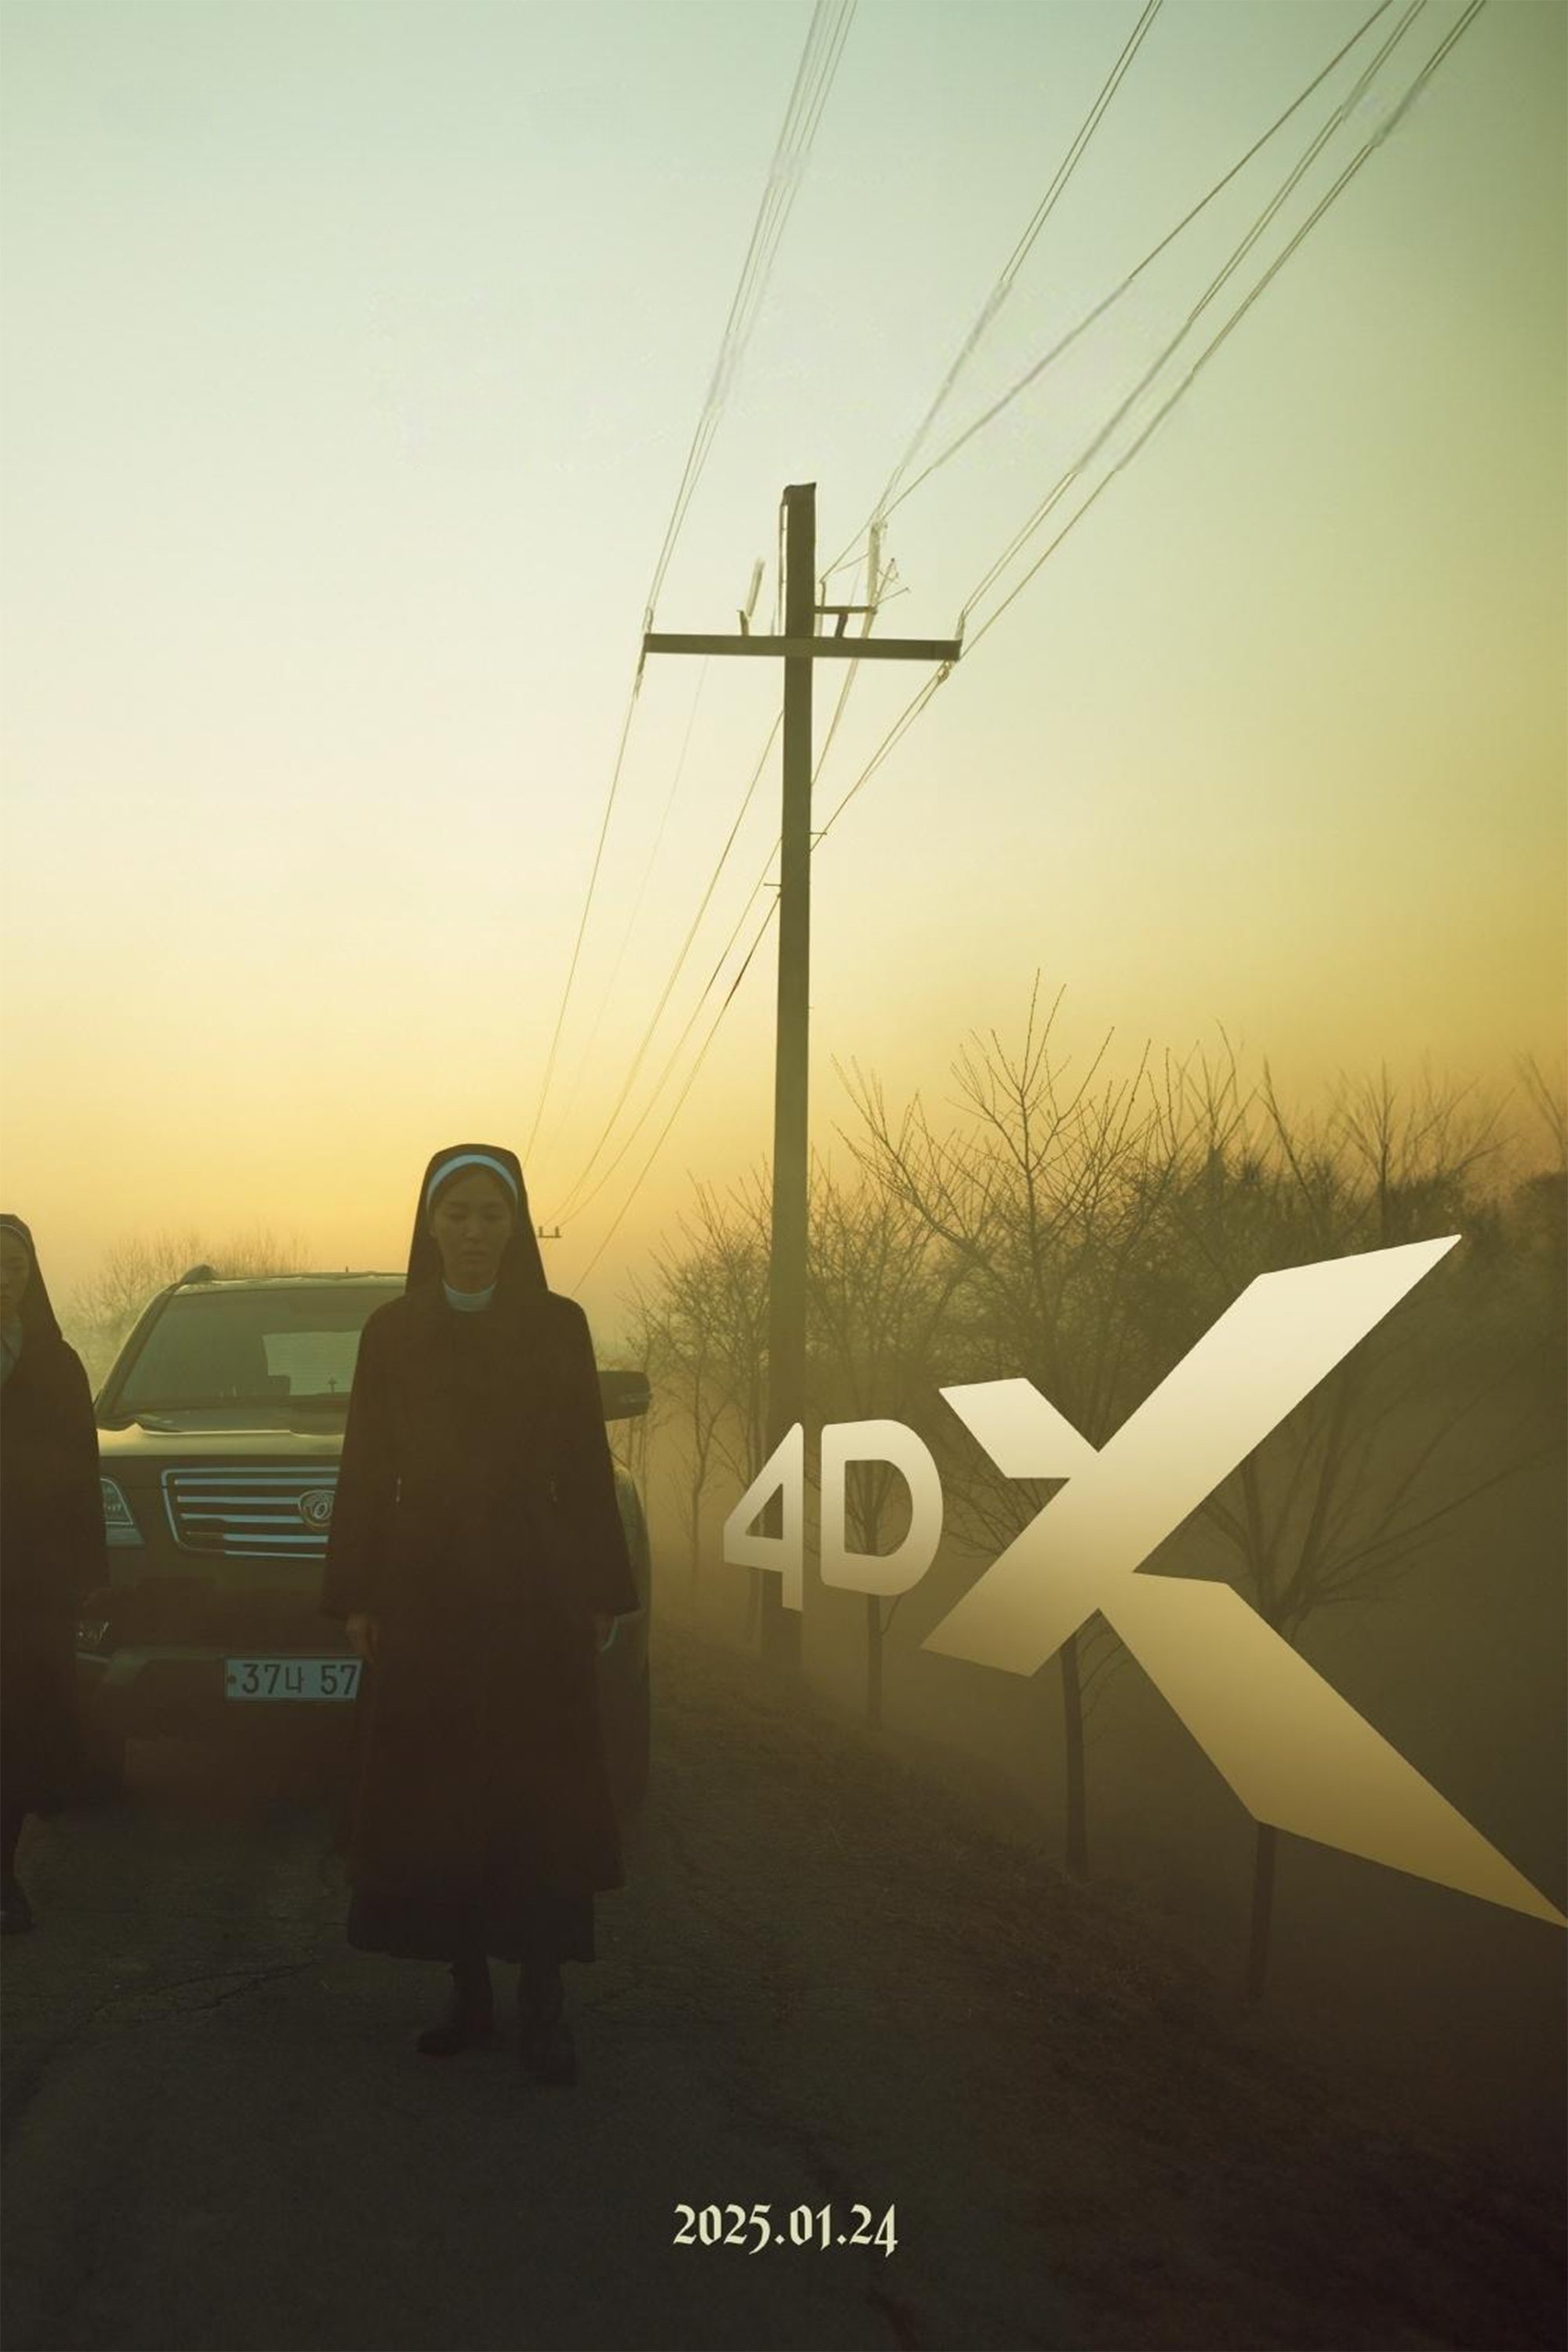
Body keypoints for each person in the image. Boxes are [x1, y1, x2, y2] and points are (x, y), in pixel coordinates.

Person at [320, 1144, 640, 2084]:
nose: (471, 1232)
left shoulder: (557, 1325)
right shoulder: (391, 1331)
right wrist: (358, 1594)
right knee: (440, 1796)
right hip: (426, 1592)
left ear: (515, 1225)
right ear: (429, 1225)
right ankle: (466, 1992)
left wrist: (599, 1589)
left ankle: (544, 1999)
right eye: (454, 1214)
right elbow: (366, 1467)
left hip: (535, 1589)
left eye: (489, 1215)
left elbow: (583, 1464)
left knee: (539, 1794)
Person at [1, 1214, 107, 1933]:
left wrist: (87, 1573)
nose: (3, 1279)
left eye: (14, 1266)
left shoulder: (59, 1363)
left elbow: (82, 1473)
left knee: (17, 1729)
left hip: (33, 1581)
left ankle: (3, 1874)